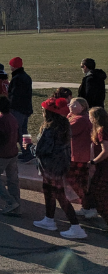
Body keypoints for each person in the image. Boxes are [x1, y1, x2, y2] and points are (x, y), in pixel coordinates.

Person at [33, 98, 87, 239]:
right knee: (49, 191)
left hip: (50, 166)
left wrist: (31, 148)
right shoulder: (64, 125)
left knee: (59, 194)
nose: (42, 111)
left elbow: (43, 149)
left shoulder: (50, 128)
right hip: (60, 164)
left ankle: (76, 227)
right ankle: (49, 219)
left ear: (49, 112)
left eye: (44, 109)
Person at [0, 96, 21, 215]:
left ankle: (10, 202)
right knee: (13, 180)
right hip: (13, 152)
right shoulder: (13, 118)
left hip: (1, 155)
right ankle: (16, 205)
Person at [66, 97, 94, 217]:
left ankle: (89, 206)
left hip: (79, 156)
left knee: (74, 180)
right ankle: (87, 206)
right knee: (81, 182)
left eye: (73, 105)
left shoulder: (80, 120)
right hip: (80, 155)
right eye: (70, 104)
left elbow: (65, 131)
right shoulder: (79, 118)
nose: (70, 106)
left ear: (82, 107)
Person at [6, 57, 34, 161]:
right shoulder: (26, 76)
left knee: (18, 131)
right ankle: (28, 150)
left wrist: (9, 106)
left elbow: (14, 96)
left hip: (18, 109)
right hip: (26, 108)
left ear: (13, 66)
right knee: (24, 130)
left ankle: (26, 152)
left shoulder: (17, 78)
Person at [84, 107, 108, 224]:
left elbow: (105, 151)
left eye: (90, 116)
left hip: (104, 167)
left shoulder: (102, 131)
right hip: (102, 167)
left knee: (99, 193)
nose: (89, 118)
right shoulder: (100, 130)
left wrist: (93, 161)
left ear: (95, 118)